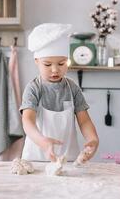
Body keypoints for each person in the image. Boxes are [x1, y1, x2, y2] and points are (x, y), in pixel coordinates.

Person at [20, 23, 99, 162]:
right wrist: (43, 142)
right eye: (48, 64)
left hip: (68, 159)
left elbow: (84, 120)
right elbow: (27, 120)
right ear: (37, 61)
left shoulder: (72, 88)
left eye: (62, 63)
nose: (55, 70)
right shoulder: (33, 88)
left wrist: (93, 139)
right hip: (36, 160)